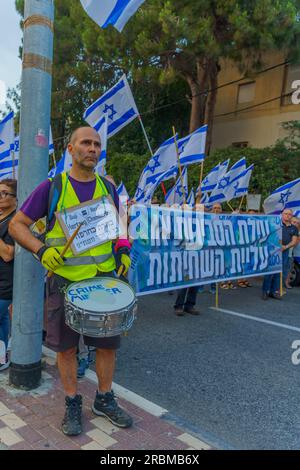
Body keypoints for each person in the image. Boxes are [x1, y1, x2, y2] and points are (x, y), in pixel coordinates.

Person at [9, 127, 132, 436]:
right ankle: (72, 402)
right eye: (86, 143)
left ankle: (104, 399)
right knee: (66, 349)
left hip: (104, 285)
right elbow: (16, 225)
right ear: (71, 149)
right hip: (64, 284)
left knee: (107, 348)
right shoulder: (52, 188)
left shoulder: (108, 187)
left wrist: (124, 250)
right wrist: (40, 250)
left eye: (97, 144)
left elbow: (120, 226)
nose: (92, 148)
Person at [0, 179, 17, 371]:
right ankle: (2, 358)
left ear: (15, 198)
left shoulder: (14, 221)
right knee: (2, 319)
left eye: (5, 193)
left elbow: (7, 254)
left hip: (6, 282)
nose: (0, 196)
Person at [281, 208, 298, 289]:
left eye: (297, 223)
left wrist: (286, 247)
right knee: (276, 272)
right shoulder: (281, 226)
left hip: (289, 254)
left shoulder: (294, 230)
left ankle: (281, 287)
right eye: (286, 214)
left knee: (285, 271)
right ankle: (272, 289)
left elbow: (294, 242)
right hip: (280, 252)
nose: (295, 223)